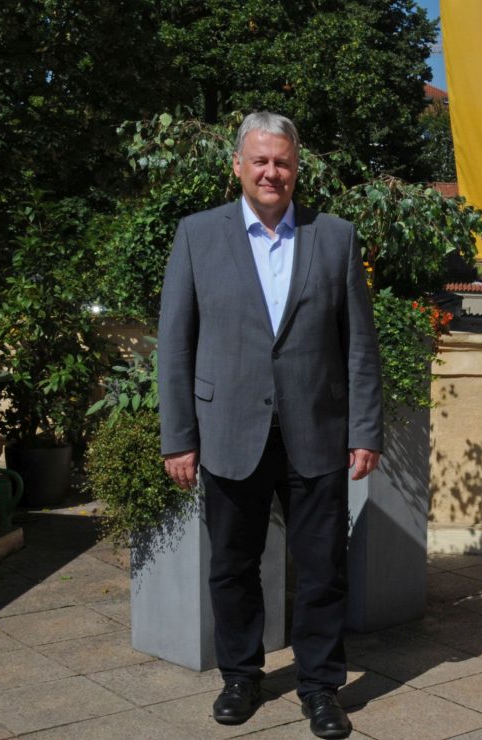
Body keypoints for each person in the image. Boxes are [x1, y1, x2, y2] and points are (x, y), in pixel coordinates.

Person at [158, 111, 382, 739]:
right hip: (227, 430)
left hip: (316, 432)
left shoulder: (334, 236)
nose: (271, 172)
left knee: (321, 569)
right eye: (259, 160)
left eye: (282, 161)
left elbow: (360, 345)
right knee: (232, 564)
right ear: (237, 166)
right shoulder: (198, 236)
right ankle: (240, 675)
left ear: (296, 167)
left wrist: (365, 430)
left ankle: (319, 687)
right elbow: (174, 344)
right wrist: (179, 437)